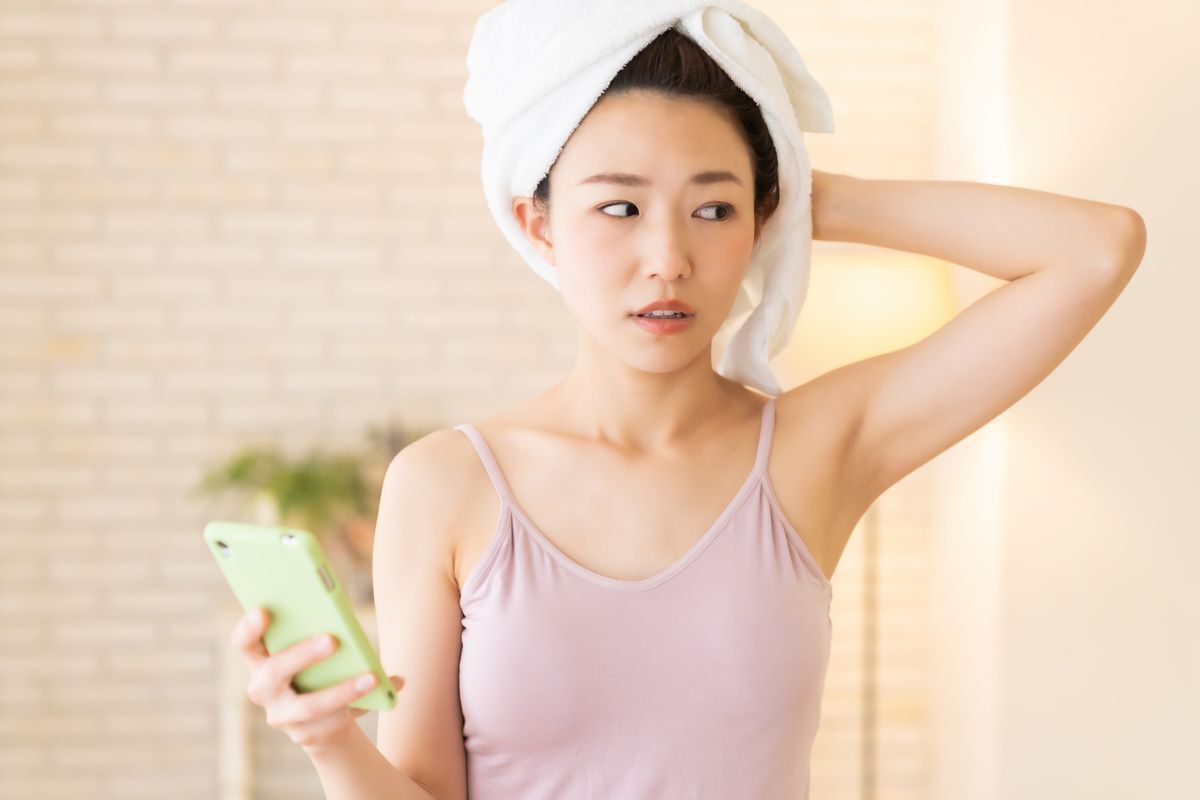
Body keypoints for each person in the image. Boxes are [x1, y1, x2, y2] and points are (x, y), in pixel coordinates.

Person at [232, 23, 1146, 800]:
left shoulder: (814, 452)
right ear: (539, 224)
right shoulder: (445, 483)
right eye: (620, 207)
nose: (667, 257)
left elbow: (1096, 250)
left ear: (761, 222)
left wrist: (810, 195)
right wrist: (329, 740)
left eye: (712, 210)